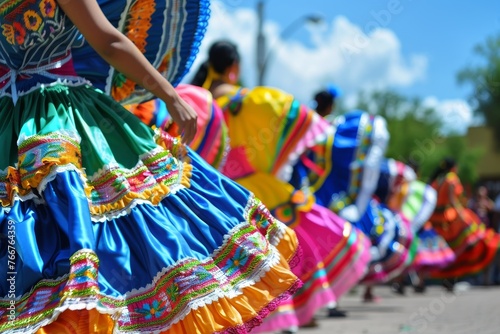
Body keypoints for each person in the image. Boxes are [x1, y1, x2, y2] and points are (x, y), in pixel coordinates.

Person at [0, 2, 303, 333]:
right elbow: (108, 41)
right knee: (92, 229)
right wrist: (170, 95)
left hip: (12, 128)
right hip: (60, 118)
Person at [191, 40, 372, 334]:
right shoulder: (250, 101)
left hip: (212, 194)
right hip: (257, 189)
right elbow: (298, 117)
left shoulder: (198, 104)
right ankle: (297, 311)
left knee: (228, 262)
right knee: (289, 247)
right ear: (234, 67)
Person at [427, 158, 500, 288]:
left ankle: (447, 278)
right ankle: (454, 276)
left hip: (436, 220)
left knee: (445, 249)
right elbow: (452, 200)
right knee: (470, 240)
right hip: (449, 219)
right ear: (453, 167)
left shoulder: (438, 180)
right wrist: (462, 215)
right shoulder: (451, 179)